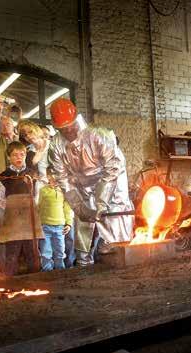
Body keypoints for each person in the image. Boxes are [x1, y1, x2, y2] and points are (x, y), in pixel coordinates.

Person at [48, 98, 134, 266]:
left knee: (116, 218)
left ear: (76, 119)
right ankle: (84, 263)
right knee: (84, 226)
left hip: (112, 182)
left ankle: (119, 255)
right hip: (82, 187)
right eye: (63, 129)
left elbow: (113, 169)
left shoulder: (100, 135)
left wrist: (102, 202)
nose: (69, 132)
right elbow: (63, 180)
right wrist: (81, 209)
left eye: (71, 126)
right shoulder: (55, 145)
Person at [0, 141, 43, 276]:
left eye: (22, 154)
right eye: (15, 155)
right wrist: (12, 210)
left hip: (30, 219)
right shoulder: (3, 177)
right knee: (11, 254)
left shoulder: (33, 175)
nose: (19, 157)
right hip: (12, 221)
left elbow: (38, 196)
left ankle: (36, 283)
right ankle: (9, 285)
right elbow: (0, 199)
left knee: (33, 253)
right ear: (9, 157)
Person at [38, 167, 73, 271]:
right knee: (45, 252)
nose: (55, 177)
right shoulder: (43, 190)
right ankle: (47, 274)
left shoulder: (64, 191)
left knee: (60, 252)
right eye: (52, 174)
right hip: (45, 227)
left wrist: (69, 224)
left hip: (60, 227)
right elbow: (39, 207)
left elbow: (67, 209)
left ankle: (60, 274)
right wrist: (38, 224)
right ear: (48, 176)